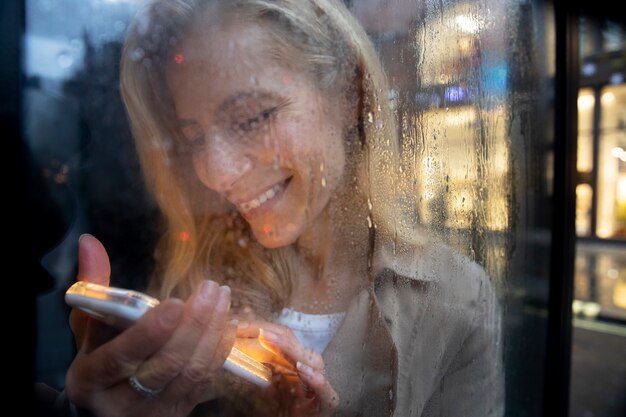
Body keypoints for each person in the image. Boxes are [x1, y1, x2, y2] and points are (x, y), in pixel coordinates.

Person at [56, 0, 504, 416]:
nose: (216, 173)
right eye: (193, 138)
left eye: (253, 118)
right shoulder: (193, 277)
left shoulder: (454, 298)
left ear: (350, 96)